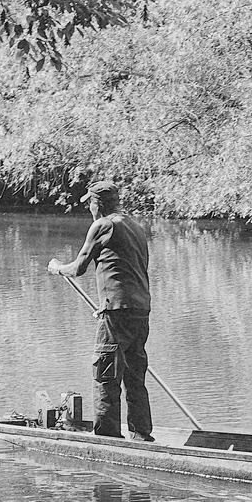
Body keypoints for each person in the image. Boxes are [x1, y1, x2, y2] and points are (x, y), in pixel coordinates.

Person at [47, 181, 154, 441]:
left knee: (106, 373)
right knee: (134, 375)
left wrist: (58, 268)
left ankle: (108, 438)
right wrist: (106, 306)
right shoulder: (136, 226)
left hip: (117, 312)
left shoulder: (103, 225)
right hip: (139, 309)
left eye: (90, 204)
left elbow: (80, 266)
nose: (89, 209)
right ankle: (141, 434)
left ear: (99, 204)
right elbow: (130, 268)